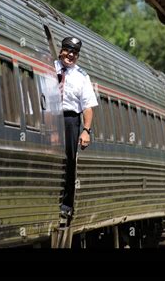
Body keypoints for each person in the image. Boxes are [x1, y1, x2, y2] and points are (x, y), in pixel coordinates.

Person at [55, 37, 98, 216]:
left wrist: (86, 131)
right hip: (48, 115)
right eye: (68, 50)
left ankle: (66, 204)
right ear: (61, 51)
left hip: (70, 119)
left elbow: (87, 106)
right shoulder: (49, 68)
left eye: (75, 53)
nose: (70, 55)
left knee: (69, 159)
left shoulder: (82, 76)